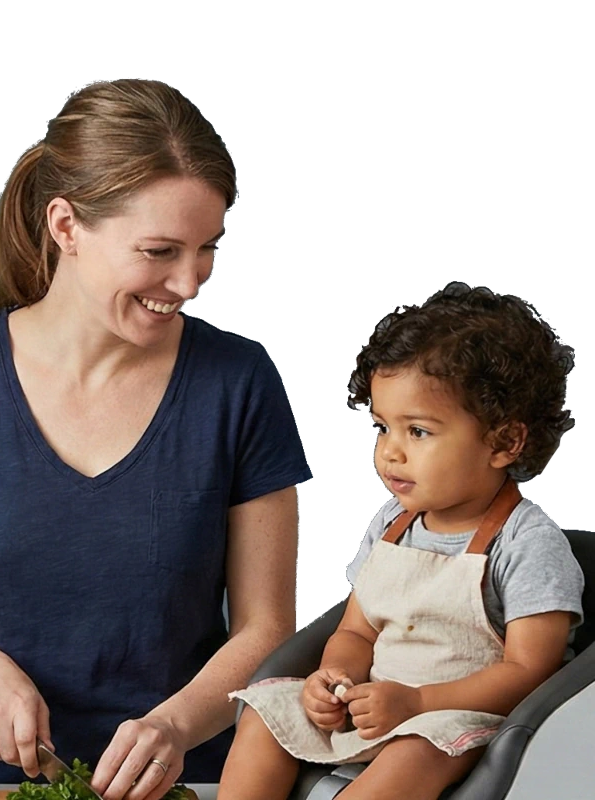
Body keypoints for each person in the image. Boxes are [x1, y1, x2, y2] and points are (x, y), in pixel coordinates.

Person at [0, 77, 313, 800]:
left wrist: (173, 727)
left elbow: (267, 628)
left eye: (207, 248)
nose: (189, 282)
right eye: (160, 250)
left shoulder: (240, 383)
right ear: (66, 226)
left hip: (190, 782)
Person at [220, 283, 585, 800]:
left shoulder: (528, 544)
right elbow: (355, 631)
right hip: (379, 707)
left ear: (504, 441)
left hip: (460, 725)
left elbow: (530, 672)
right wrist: (334, 676)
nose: (390, 452)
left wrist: (416, 703)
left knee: (416, 752)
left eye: (417, 432)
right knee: (264, 712)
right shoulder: (392, 523)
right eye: (381, 427)